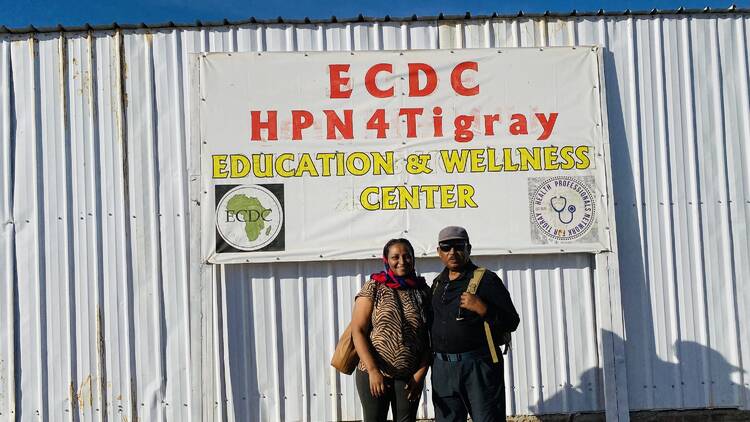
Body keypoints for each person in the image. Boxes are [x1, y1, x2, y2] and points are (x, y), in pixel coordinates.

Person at [430, 226, 520, 422]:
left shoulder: (486, 279)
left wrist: (483, 309)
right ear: (439, 252)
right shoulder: (437, 284)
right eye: (446, 247)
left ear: (468, 248)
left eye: (458, 246)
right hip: (442, 368)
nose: (452, 252)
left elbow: (512, 321)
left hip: (478, 367)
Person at [350, 238, 431, 422]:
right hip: (374, 373)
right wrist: (373, 370)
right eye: (395, 257)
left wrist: (420, 374)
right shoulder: (374, 286)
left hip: (409, 376)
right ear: (386, 260)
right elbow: (358, 331)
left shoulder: (422, 290)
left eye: (407, 256)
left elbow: (429, 337)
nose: (402, 261)